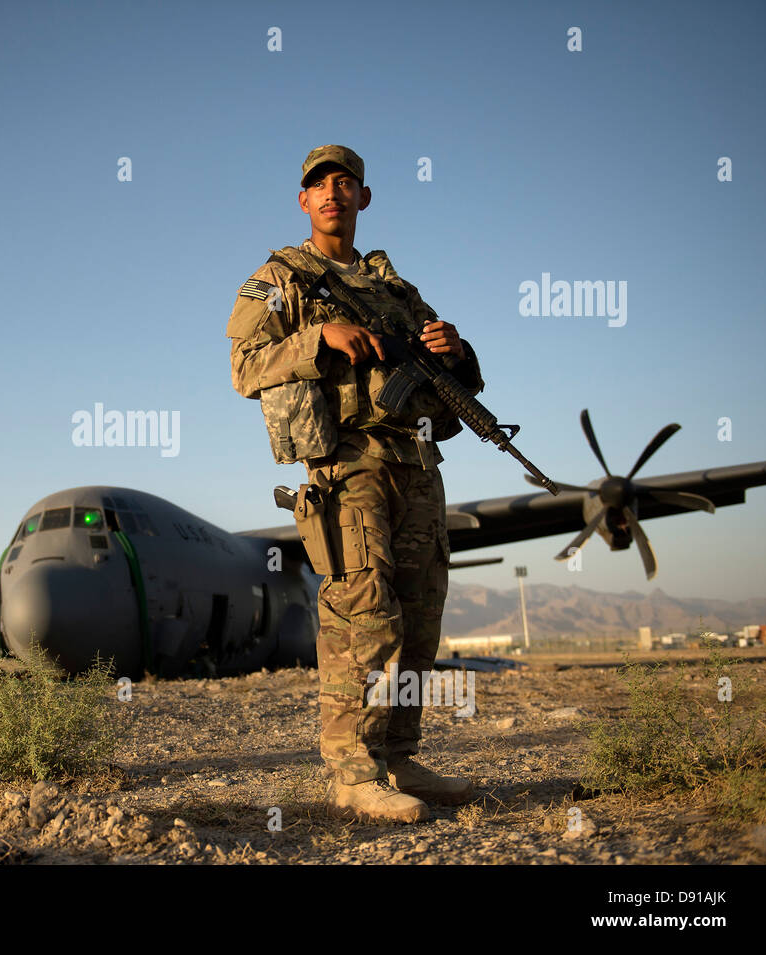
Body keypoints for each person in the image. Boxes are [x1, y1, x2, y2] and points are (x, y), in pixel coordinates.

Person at [226, 145, 485, 824]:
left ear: (364, 199)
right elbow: (244, 368)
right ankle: (350, 769)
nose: (332, 191)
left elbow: (449, 381)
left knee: (418, 613)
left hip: (418, 462)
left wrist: (456, 351)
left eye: (346, 182)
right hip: (349, 464)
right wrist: (320, 337)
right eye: (318, 183)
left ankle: (399, 753)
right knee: (363, 615)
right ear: (304, 201)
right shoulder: (280, 279)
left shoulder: (396, 293)